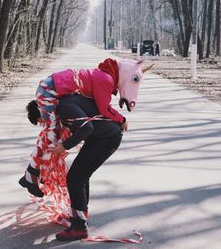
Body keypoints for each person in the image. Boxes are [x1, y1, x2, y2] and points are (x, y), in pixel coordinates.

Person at [19, 58, 151, 198]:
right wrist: (122, 119)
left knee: (51, 134)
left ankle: (34, 174)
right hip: (49, 90)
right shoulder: (106, 79)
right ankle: (33, 175)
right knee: (52, 135)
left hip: (48, 88)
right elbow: (104, 108)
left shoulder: (105, 76)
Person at [24, 94, 123, 241]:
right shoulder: (60, 107)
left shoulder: (64, 108)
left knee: (75, 178)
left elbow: (87, 128)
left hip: (106, 139)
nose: (43, 125)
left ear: (44, 112)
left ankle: (79, 227)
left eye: (41, 121)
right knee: (80, 176)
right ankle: (81, 217)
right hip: (100, 138)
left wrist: (64, 146)